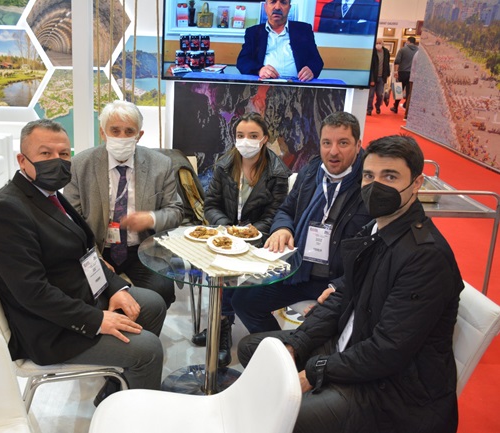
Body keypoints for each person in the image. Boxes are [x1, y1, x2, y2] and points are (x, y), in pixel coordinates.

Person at [238, 135, 463, 433]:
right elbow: (341, 296)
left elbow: (388, 350)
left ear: (417, 183)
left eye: (390, 176)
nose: (375, 186)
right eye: (369, 176)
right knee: (254, 349)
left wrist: (314, 372)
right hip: (349, 348)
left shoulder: (425, 257)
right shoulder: (375, 229)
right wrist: (298, 344)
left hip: (389, 389)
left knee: (287, 417)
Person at [0, 119, 167, 402]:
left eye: (64, 154)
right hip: (50, 327)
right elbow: (32, 293)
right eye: (45, 153)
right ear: (22, 160)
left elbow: (86, 252)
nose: (57, 161)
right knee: (148, 350)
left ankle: (119, 383)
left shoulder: (48, 195)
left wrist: (115, 288)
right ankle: (136, 411)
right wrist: (96, 320)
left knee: (152, 304)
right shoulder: (8, 210)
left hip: (80, 293)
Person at [231, 112, 371, 333]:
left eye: (343, 143)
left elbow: (372, 256)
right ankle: (277, 347)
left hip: (338, 281)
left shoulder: (368, 183)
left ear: (358, 145)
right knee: (243, 300)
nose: (333, 151)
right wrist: (282, 228)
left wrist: (340, 287)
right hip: (298, 271)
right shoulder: (311, 171)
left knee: (318, 330)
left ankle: (296, 349)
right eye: (327, 143)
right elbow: (286, 209)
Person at [194, 112, 292, 366]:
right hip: (224, 236)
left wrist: (247, 234)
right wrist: (227, 229)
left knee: (232, 270)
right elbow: (211, 205)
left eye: (253, 135)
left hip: (259, 241)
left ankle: (221, 326)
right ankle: (221, 323)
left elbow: (275, 213)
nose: (245, 141)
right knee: (218, 267)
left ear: (265, 139)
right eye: (240, 135)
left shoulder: (278, 172)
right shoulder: (223, 165)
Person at [65, 100, 183, 308]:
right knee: (91, 295)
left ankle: (147, 326)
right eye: (115, 130)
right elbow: (72, 220)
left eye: (129, 131)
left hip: (143, 249)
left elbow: (176, 211)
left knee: (162, 291)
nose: (121, 137)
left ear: (139, 135)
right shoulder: (79, 165)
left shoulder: (161, 164)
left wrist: (151, 218)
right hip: (97, 248)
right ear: (103, 133)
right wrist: (96, 258)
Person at [236, 0, 323, 81]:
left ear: (289, 7)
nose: (277, 7)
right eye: (273, 2)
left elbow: (317, 61)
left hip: (297, 86)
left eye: (283, 2)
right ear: (265, 7)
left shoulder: (303, 30)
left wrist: (311, 70)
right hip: (265, 85)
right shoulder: (253, 32)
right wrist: (259, 70)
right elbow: (243, 61)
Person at [391, 36, 418, 114]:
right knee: (409, 92)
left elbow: (397, 61)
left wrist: (396, 72)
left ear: (408, 41)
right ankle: (407, 108)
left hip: (402, 72)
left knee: (399, 90)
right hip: (412, 73)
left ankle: (395, 107)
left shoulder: (402, 50)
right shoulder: (418, 51)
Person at [367, 39, 390, 116]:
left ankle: (377, 106)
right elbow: (370, 66)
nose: (378, 44)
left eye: (379, 43)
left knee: (380, 95)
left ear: (382, 44)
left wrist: (387, 74)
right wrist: (371, 79)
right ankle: (369, 109)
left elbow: (387, 64)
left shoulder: (386, 52)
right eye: (377, 43)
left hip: (382, 77)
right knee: (370, 95)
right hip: (373, 77)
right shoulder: (372, 52)